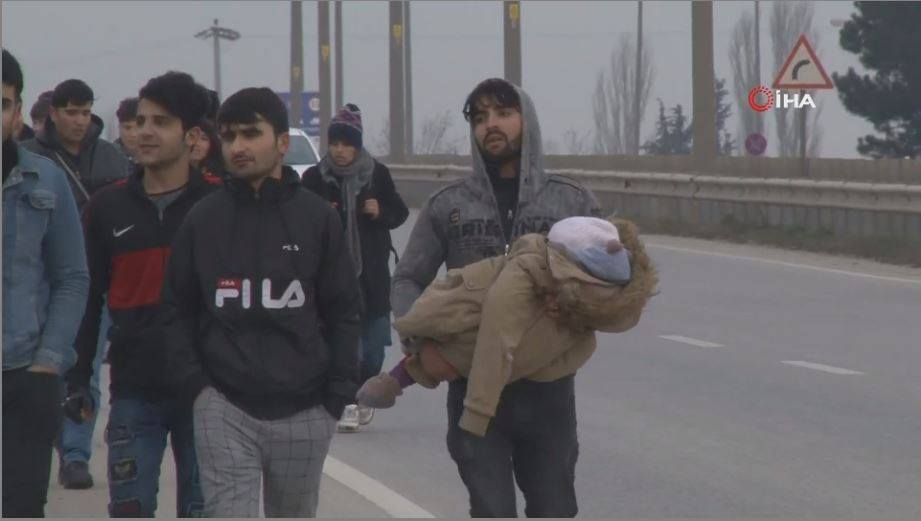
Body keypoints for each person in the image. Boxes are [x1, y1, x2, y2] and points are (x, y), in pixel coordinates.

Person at [390, 77, 602, 517]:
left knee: (555, 507)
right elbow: (407, 278)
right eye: (480, 117)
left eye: (503, 113)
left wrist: (577, 305)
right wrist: (420, 342)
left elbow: (611, 276)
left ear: (528, 120)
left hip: (547, 388)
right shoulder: (448, 205)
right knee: (491, 509)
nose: (491, 125)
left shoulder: (571, 201)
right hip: (472, 387)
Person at [161, 87, 361, 517]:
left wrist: (335, 398)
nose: (238, 147)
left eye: (251, 134)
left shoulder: (317, 218)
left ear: (283, 143)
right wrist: (197, 389)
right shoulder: (202, 219)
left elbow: (345, 311)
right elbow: (176, 309)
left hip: (306, 408)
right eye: (229, 136)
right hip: (222, 405)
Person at [64, 71, 219, 516]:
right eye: (141, 120)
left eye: (161, 122)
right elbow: (89, 300)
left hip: (208, 393)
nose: (146, 132)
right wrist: (78, 381)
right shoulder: (106, 208)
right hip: (134, 389)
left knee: (202, 509)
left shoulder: (217, 206)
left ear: (191, 136)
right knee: (128, 508)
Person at [361, 216, 656, 437]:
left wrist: (477, 413)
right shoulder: (527, 272)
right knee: (454, 336)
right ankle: (404, 372)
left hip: (520, 388)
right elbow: (494, 335)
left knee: (454, 350)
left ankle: (403, 374)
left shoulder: (578, 311)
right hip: (471, 340)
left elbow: (500, 342)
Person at [2, 48, 90, 518]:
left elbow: (72, 278)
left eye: (2, 103)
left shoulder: (46, 181)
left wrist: (48, 363)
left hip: (24, 377)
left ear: (18, 112)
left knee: (20, 507)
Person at [301, 103, 409, 432]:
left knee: (374, 352)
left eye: (347, 144)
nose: (340, 150)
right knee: (348, 349)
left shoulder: (377, 175)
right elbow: (299, 223)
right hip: (333, 278)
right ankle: (347, 403)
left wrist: (381, 212)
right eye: (335, 143)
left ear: (358, 145)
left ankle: (362, 396)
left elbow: (400, 213)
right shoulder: (314, 179)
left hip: (373, 277)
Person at [22, 78, 130, 208]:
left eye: (86, 113)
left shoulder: (111, 154)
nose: (80, 121)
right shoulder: (27, 155)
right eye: (71, 113)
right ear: (53, 113)